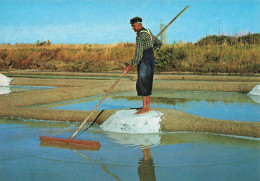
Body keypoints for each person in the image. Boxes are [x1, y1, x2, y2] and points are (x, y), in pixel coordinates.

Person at [124, 17, 163, 114]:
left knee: (143, 82)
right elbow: (159, 43)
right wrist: (151, 48)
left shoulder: (140, 36)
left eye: (133, 26)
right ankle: (146, 106)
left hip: (144, 60)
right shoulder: (148, 32)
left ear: (139, 24)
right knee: (147, 81)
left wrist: (129, 66)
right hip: (151, 59)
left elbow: (138, 54)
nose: (133, 28)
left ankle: (145, 108)